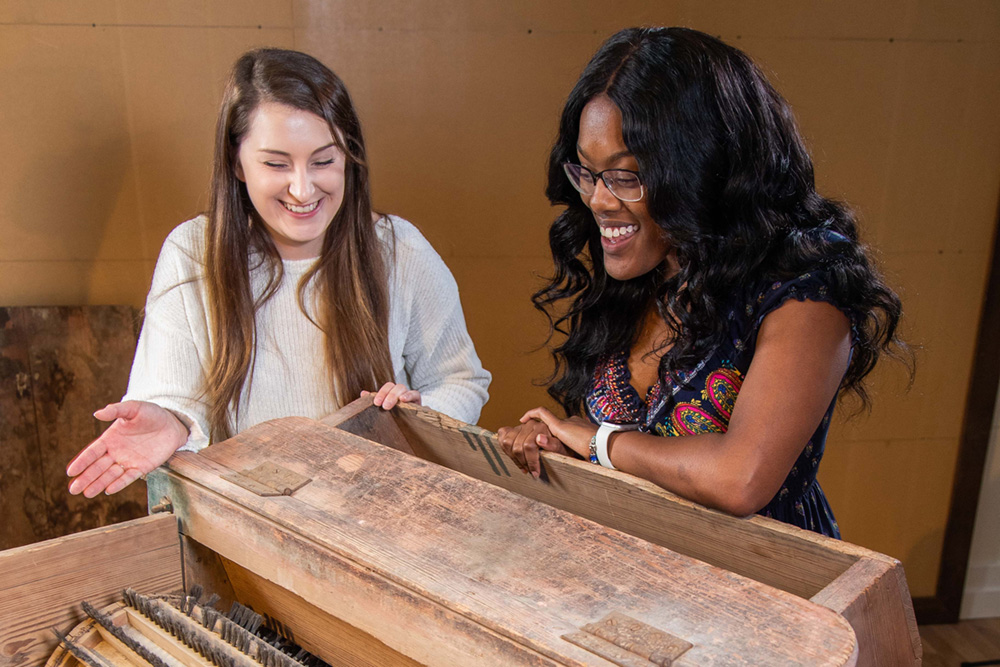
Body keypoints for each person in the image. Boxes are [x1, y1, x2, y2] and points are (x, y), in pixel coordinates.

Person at [497, 27, 908, 538]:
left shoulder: (804, 288)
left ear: (701, 169)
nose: (600, 200)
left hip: (759, 585)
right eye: (588, 172)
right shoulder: (642, 269)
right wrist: (555, 442)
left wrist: (599, 442)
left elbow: (741, 478)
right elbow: (604, 437)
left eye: (627, 176)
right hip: (635, 567)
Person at [67, 48, 490, 498]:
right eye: (276, 164)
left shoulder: (398, 249)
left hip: (374, 517)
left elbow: (461, 380)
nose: (303, 189)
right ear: (236, 161)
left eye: (324, 161)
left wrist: (422, 413)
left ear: (349, 157)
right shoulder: (193, 252)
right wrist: (170, 421)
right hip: (244, 524)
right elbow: (173, 396)